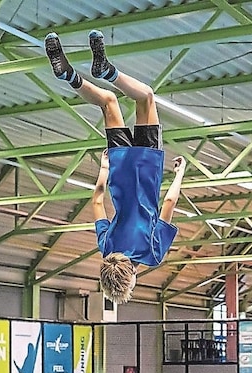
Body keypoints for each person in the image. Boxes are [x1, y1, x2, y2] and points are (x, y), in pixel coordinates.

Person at [45, 30, 187, 304]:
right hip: (119, 169)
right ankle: (69, 76)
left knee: (146, 97)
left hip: (147, 166)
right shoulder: (106, 246)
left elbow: (169, 202)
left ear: (131, 278)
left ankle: (108, 71)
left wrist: (179, 173)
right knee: (107, 102)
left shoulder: (152, 254)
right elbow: (98, 200)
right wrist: (104, 169)